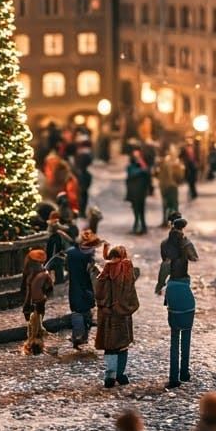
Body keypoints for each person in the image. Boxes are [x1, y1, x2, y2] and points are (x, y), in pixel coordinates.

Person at [95, 245, 140, 387]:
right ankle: (120, 375)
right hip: (122, 314)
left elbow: (99, 292)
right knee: (122, 345)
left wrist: (104, 306)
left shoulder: (105, 271)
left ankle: (109, 376)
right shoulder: (127, 269)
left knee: (110, 346)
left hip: (107, 315)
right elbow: (130, 292)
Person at [66, 229, 99, 346]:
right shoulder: (88, 256)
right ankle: (82, 335)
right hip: (86, 285)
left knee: (77, 310)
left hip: (75, 285)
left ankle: (77, 336)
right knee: (85, 311)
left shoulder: (71, 253)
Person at [164, 274, 195, 388]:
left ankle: (173, 378)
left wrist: (160, 284)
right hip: (188, 306)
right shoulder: (184, 270)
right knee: (186, 341)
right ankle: (184, 373)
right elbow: (194, 257)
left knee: (174, 343)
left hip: (174, 309)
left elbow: (162, 279)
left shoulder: (169, 265)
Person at [156, 216, 198, 294]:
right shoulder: (186, 242)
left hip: (171, 278)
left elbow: (164, 259)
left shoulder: (164, 243)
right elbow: (194, 258)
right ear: (183, 228)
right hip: (183, 278)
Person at [125, 152, 151, 235]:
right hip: (133, 193)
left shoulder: (143, 167)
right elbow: (132, 174)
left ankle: (143, 226)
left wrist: (143, 167)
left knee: (141, 210)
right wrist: (142, 169)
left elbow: (148, 175)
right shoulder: (130, 167)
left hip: (141, 193)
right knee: (136, 210)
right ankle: (136, 226)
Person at [157, 151, 184, 226]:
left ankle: (165, 221)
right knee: (174, 205)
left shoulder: (162, 163)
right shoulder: (175, 163)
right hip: (172, 186)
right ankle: (176, 221)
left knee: (165, 204)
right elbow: (180, 175)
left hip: (164, 186)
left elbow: (158, 175)